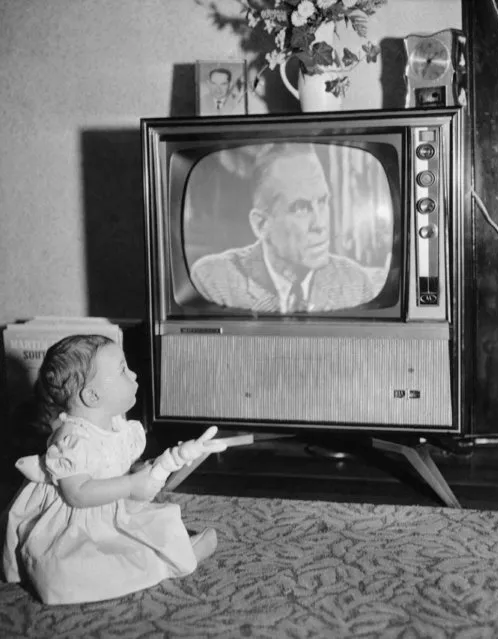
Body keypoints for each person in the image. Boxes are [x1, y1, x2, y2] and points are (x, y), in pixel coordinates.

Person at [1, 334, 227, 605]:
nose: (133, 374)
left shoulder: (118, 426)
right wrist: (131, 486)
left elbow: (125, 468)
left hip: (111, 511)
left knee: (159, 522)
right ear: (93, 395)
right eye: (122, 369)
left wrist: (170, 460)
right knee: (69, 569)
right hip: (74, 522)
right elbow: (77, 494)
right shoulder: (72, 441)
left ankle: (174, 553)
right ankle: (167, 561)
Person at [190, 144, 375, 312]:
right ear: (261, 225)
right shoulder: (215, 281)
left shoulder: (356, 284)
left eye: (323, 201)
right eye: (301, 208)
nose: (320, 225)